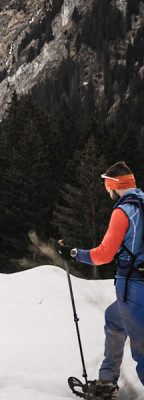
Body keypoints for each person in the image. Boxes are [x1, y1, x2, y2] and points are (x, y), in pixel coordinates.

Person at [58, 161, 144, 400]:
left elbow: (103, 255)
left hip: (135, 289)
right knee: (113, 319)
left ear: (115, 186)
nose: (107, 192)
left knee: (142, 352)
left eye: (108, 187)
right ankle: (107, 381)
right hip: (136, 288)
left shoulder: (123, 212)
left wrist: (75, 253)